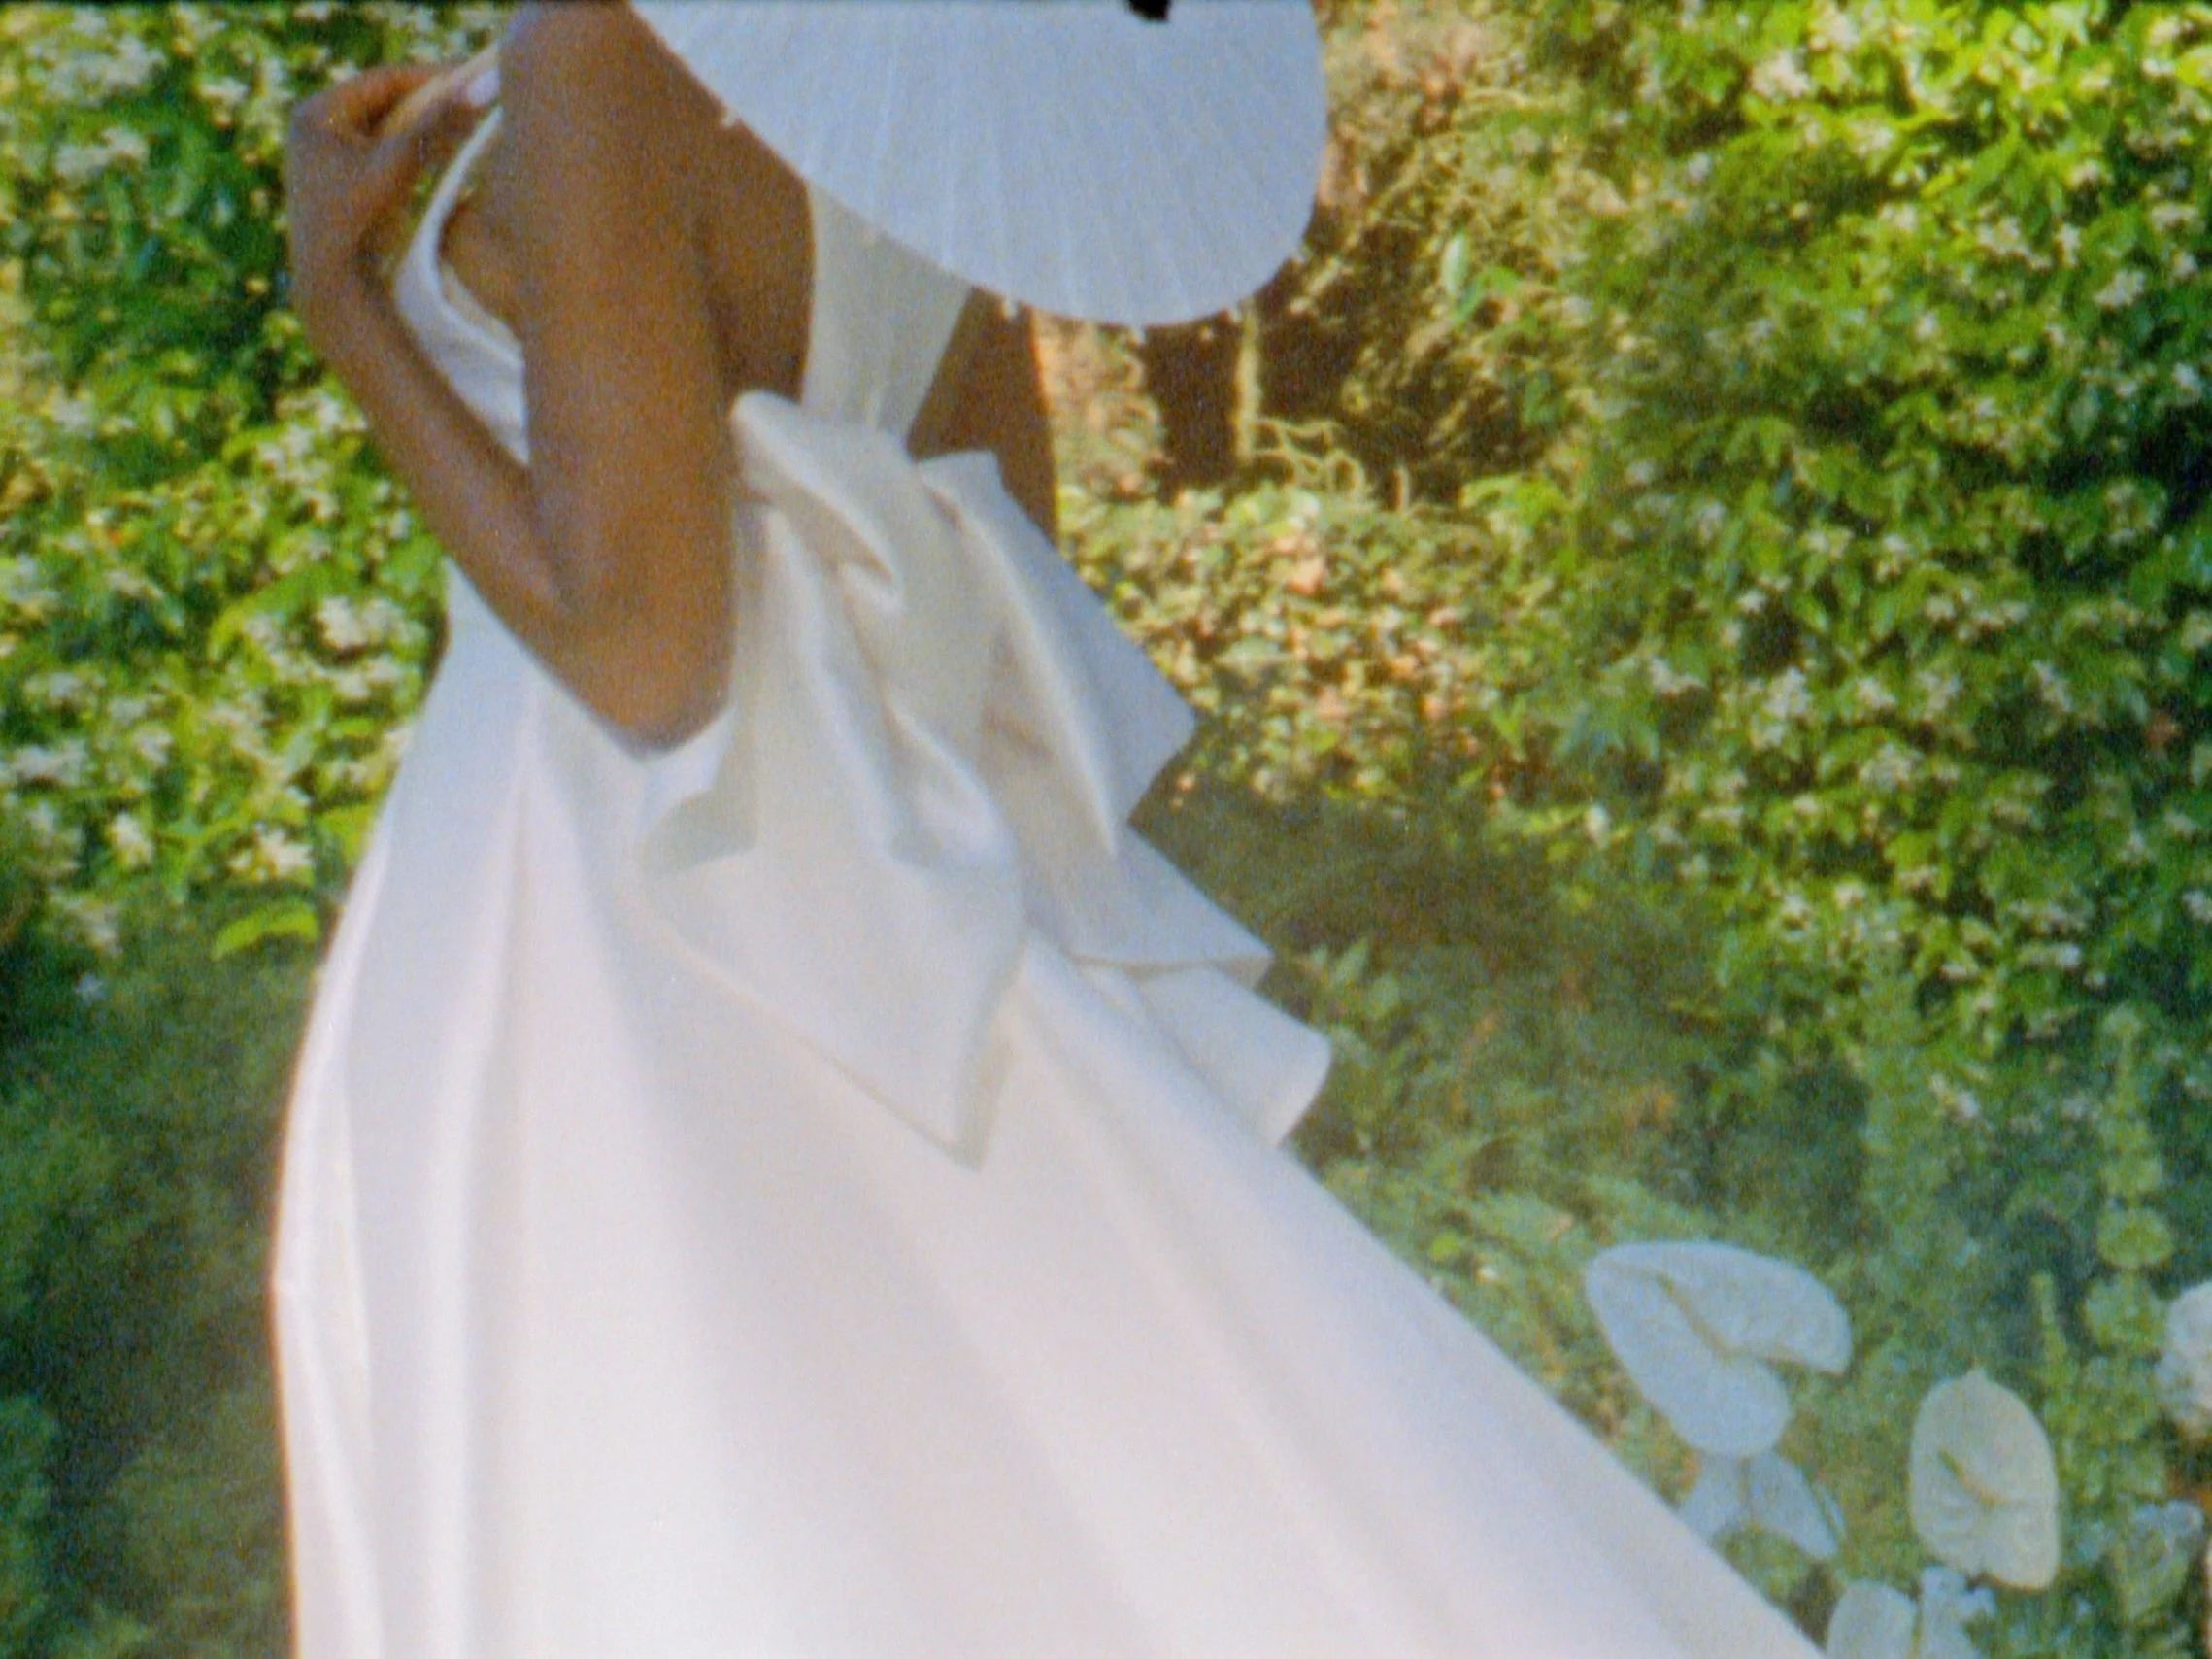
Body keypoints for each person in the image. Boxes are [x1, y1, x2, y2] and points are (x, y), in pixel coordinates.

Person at [275, 5, 1823, 1654]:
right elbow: (997, 521)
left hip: (586, 909)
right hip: (881, 884)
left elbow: (647, 659)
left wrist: (342, 298)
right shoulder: (906, 72)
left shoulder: (595, 47)